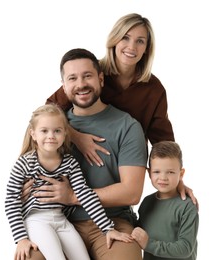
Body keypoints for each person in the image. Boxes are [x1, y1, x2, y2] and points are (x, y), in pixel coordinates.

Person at [46, 13, 196, 204]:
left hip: (120, 171)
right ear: (114, 40)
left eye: (140, 41)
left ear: (146, 49)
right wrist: (75, 136)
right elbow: (49, 110)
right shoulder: (90, 74)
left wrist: (176, 178)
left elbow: (162, 141)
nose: (131, 47)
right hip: (77, 166)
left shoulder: (154, 89)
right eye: (125, 37)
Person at [22, 48, 148, 260]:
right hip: (58, 221)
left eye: (87, 76)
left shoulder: (127, 126)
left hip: (113, 221)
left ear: (100, 79)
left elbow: (132, 192)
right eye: (72, 78)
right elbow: (23, 174)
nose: (81, 84)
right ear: (64, 86)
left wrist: (72, 196)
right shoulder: (51, 128)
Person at [5, 103, 134, 260]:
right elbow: (11, 202)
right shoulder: (24, 163)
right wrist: (21, 239)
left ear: (66, 133)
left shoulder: (69, 162)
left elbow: (84, 194)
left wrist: (107, 229)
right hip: (37, 220)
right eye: (44, 131)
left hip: (61, 219)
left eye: (57, 131)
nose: (51, 136)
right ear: (33, 134)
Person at [131, 141, 199, 260]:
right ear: (149, 173)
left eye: (170, 172)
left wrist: (149, 244)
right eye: (157, 172)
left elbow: (185, 248)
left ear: (181, 173)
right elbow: (138, 231)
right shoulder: (147, 202)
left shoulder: (187, 206)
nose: (163, 178)